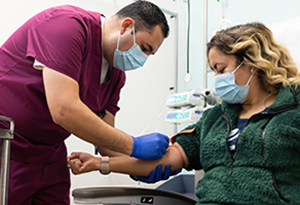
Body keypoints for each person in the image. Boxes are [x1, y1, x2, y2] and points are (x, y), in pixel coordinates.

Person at [68, 22, 300, 204]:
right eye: (214, 72)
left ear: (251, 63)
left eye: (222, 69)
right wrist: (100, 163)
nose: (218, 79)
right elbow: (167, 159)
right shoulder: (214, 119)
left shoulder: (294, 110)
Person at [0, 1, 172, 204]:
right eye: (144, 48)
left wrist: (134, 166)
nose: (142, 60)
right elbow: (63, 109)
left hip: (50, 154)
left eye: (149, 55)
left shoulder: (116, 76)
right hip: (9, 145)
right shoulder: (67, 26)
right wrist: (134, 145)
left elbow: (106, 142)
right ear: (126, 26)